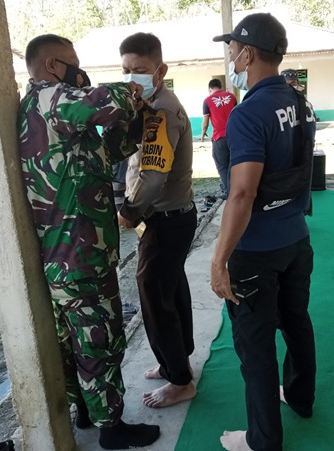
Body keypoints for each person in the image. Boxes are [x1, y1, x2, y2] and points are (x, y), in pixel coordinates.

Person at [16, 34, 160, 450]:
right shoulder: (50, 98)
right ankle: (111, 428)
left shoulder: (56, 116)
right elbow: (106, 101)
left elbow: (107, 150)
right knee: (100, 341)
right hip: (79, 255)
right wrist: (135, 89)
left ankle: (85, 410)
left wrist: (134, 121)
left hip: (73, 253)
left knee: (76, 342)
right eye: (73, 64)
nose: (80, 73)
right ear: (51, 66)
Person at [210, 13, 317, 451]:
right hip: (296, 239)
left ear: (248, 54)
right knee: (296, 321)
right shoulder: (300, 102)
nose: (231, 57)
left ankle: (263, 440)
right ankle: (301, 397)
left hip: (256, 250)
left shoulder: (248, 113)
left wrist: (219, 259)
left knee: (255, 347)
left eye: (233, 49)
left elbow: (242, 193)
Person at [116, 32, 198, 409]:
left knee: (153, 294)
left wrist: (129, 211)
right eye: (125, 70)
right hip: (173, 217)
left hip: (165, 219)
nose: (132, 77)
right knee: (171, 288)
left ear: (160, 70)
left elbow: (151, 176)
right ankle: (176, 363)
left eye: (140, 69)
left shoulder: (161, 111)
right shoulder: (152, 103)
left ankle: (180, 381)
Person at [200, 78, 237, 199]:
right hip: (235, 136)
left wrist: (203, 133)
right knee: (234, 165)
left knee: (222, 166)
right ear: (221, 87)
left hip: (219, 137)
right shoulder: (232, 97)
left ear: (209, 89)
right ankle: (236, 190)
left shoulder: (207, 101)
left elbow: (205, 122)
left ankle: (229, 192)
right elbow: (238, 114)